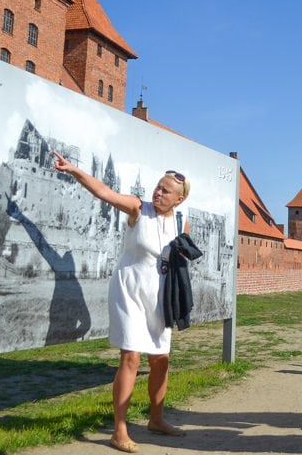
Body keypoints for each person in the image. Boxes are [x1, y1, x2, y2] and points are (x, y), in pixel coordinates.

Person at [52, 151, 189, 454]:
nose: (158, 192)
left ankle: (156, 420)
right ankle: (119, 430)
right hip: (128, 290)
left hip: (158, 298)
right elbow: (104, 193)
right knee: (131, 358)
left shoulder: (181, 222)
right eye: (158, 186)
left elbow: (179, 263)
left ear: (179, 199)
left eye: (166, 190)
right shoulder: (139, 208)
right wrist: (73, 169)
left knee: (161, 361)